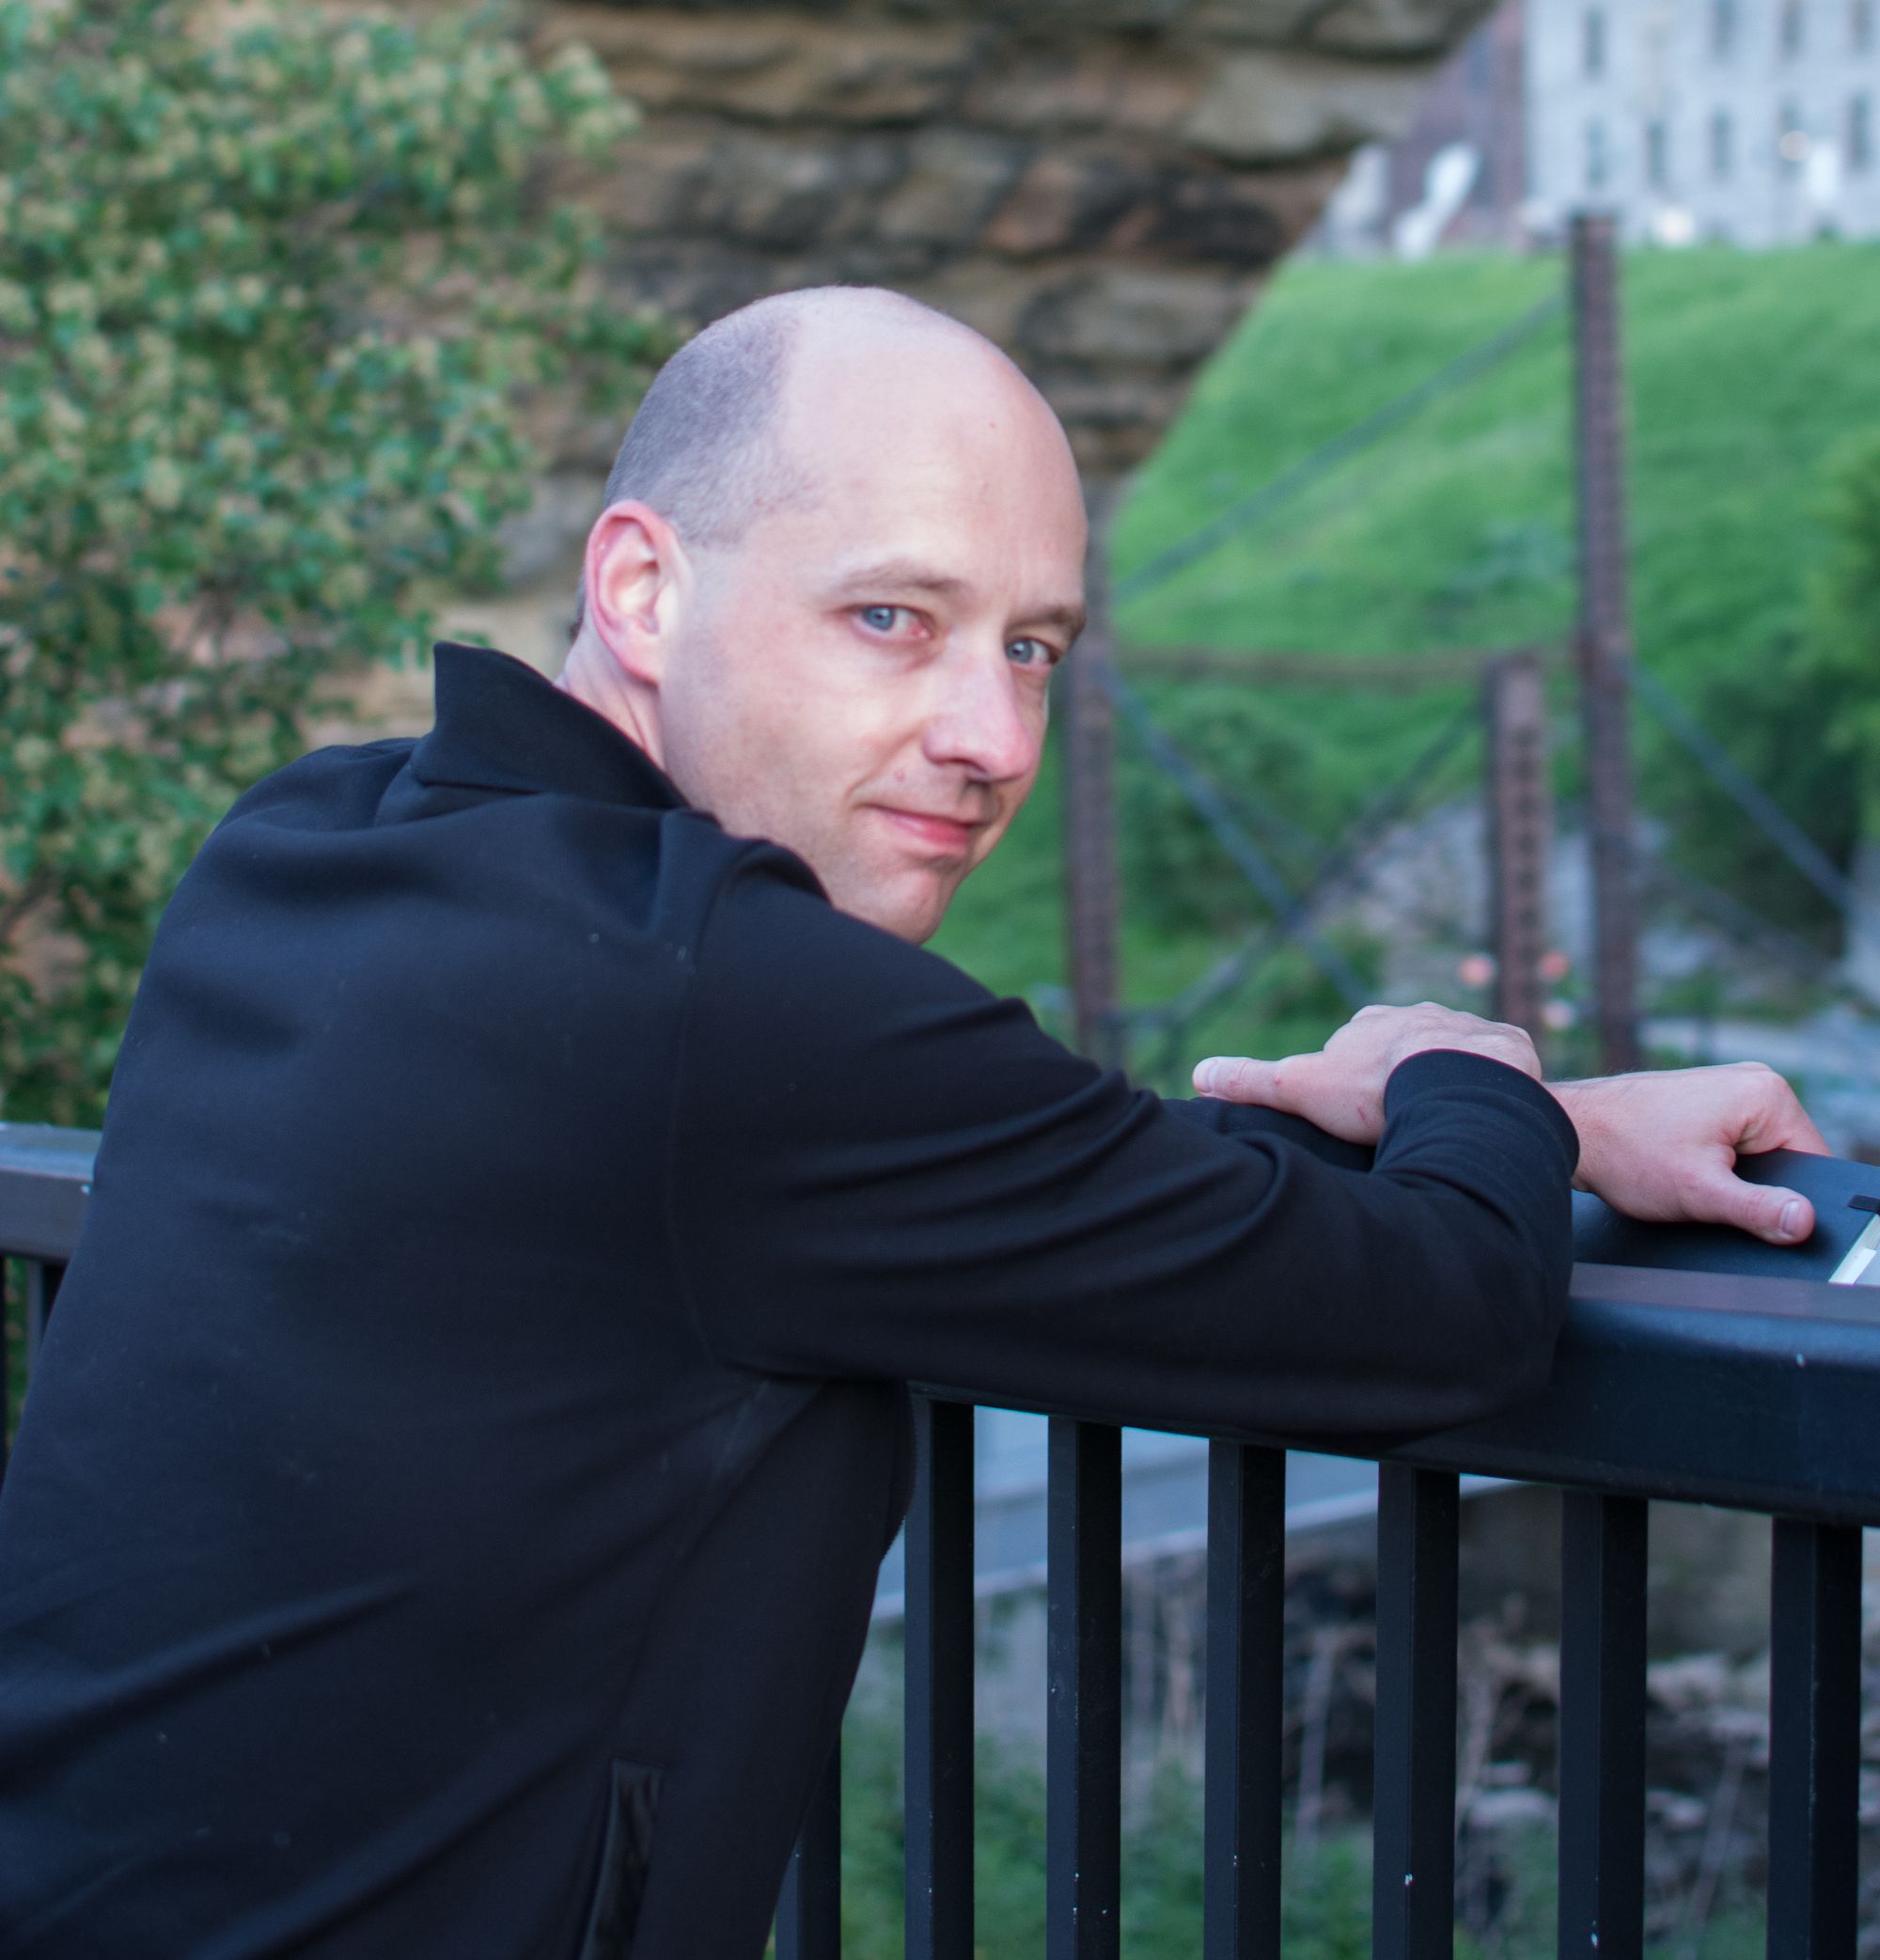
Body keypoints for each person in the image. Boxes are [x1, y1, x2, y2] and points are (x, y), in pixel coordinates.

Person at [0, 288, 1826, 1960]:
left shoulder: (314, 843)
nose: (992, 735)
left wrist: (1547, 1126)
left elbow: (971, 1169)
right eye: (895, 617)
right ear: (639, 589)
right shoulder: (721, 1004)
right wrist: (1467, 1066)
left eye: (1034, 647)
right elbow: (1440, 1304)